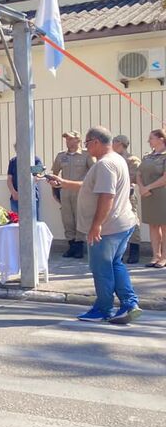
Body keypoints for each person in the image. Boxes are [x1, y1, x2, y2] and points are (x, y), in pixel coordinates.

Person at [47, 127, 140, 324]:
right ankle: (129, 304)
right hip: (122, 224)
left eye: (87, 143)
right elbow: (91, 186)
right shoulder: (116, 160)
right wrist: (63, 182)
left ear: (96, 142)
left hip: (107, 228)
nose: (86, 147)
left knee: (101, 268)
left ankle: (103, 309)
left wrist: (96, 225)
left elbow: (107, 196)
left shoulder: (105, 165)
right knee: (115, 264)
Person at [52, 131, 95, 259]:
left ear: (78, 140)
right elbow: (55, 172)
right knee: (67, 219)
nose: (68, 142)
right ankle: (71, 246)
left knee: (79, 219)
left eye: (71, 139)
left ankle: (79, 247)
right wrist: (54, 190)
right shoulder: (61, 156)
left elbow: (94, 171)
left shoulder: (86, 155)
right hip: (65, 192)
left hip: (80, 191)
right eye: (66, 139)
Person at [137, 128, 166, 268]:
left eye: (151, 138)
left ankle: (164, 257)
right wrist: (142, 187)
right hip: (147, 195)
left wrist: (148, 188)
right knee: (153, 226)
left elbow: (165, 178)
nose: (149, 141)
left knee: (164, 226)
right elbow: (139, 173)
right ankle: (155, 256)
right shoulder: (147, 156)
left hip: (162, 194)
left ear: (161, 139)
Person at [112, 135, 142, 264]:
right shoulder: (112, 159)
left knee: (133, 221)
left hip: (128, 195)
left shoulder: (132, 160)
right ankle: (119, 251)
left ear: (120, 144)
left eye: (114, 142)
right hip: (114, 195)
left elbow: (135, 177)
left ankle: (134, 250)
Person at [7, 145, 42, 219]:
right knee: (16, 223)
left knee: (34, 221)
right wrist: (14, 193)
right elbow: (9, 179)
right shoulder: (13, 161)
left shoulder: (35, 160)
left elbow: (37, 176)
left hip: (32, 197)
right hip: (16, 198)